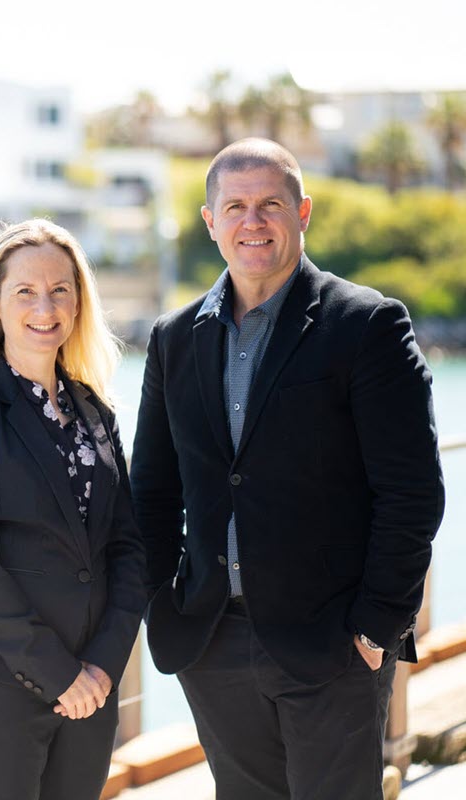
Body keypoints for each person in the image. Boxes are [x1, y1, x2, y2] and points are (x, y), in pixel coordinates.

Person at [130, 138, 444, 800]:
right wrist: (163, 603)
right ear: (210, 221)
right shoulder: (173, 338)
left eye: (270, 204)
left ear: (302, 212)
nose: (253, 221)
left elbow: (412, 492)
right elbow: (152, 492)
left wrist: (374, 627)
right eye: (236, 206)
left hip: (334, 644)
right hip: (213, 642)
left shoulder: (368, 324)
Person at [0, 218, 146, 800]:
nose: (44, 306)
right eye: (25, 291)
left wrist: (101, 668)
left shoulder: (97, 413)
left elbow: (128, 550)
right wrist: (60, 675)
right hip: (0, 685)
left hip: (92, 691)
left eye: (60, 290)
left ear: (78, 304)